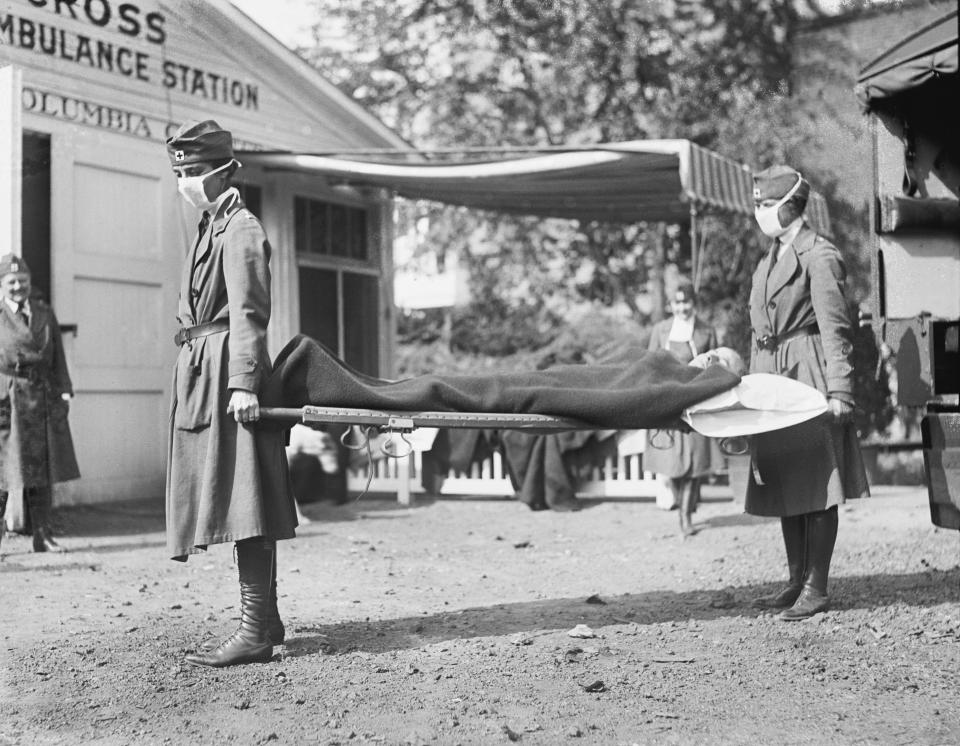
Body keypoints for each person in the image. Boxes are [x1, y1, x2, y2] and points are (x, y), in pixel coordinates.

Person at [164, 120, 297, 667]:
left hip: (228, 374)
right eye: (179, 172)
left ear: (223, 172)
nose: (186, 181)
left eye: (193, 172)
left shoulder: (239, 227)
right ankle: (265, 621)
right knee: (237, 497)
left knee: (247, 501)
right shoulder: (209, 225)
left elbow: (248, 311)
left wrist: (244, 382)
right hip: (203, 371)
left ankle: (254, 632)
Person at [746, 165, 868, 621]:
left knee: (817, 483)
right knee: (784, 480)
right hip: (772, 375)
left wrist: (840, 390)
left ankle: (816, 588)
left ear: (789, 206)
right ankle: (796, 580)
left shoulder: (820, 255)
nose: (758, 212)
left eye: (764, 204)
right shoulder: (770, 257)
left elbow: (836, 327)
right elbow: (758, 327)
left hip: (808, 374)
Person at [0, 255, 79, 556]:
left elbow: (57, 355)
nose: (18, 286)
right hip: (7, 398)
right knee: (2, 472)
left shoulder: (44, 313)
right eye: (12, 282)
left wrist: (64, 390)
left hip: (41, 396)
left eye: (23, 281)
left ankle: (42, 536)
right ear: (2, 285)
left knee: (41, 469)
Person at [644, 282, 718, 536]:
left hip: (695, 400)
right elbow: (649, 365)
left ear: (693, 304)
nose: (682, 308)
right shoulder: (661, 330)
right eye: (677, 303)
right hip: (667, 402)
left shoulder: (706, 330)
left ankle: (685, 518)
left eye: (686, 302)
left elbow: (715, 365)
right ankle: (682, 501)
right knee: (671, 461)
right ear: (671, 305)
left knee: (695, 462)